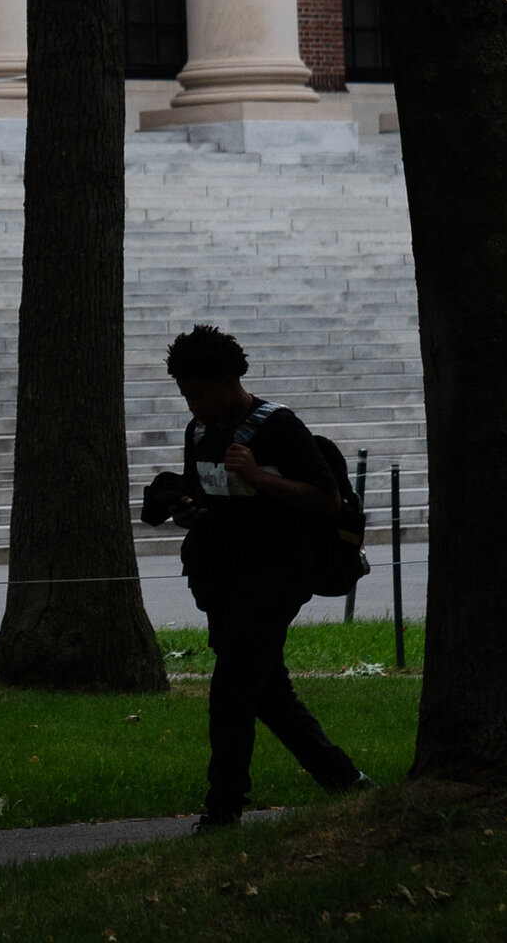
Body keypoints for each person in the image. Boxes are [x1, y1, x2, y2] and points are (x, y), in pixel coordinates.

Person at [163, 323, 373, 829]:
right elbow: (203, 489)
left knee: (232, 688)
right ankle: (346, 782)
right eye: (185, 394)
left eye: (200, 392)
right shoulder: (199, 431)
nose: (193, 405)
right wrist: (186, 510)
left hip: (276, 576)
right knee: (267, 690)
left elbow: (327, 499)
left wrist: (258, 476)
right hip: (220, 577)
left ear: (231, 378)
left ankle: (223, 809)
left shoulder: (278, 426)